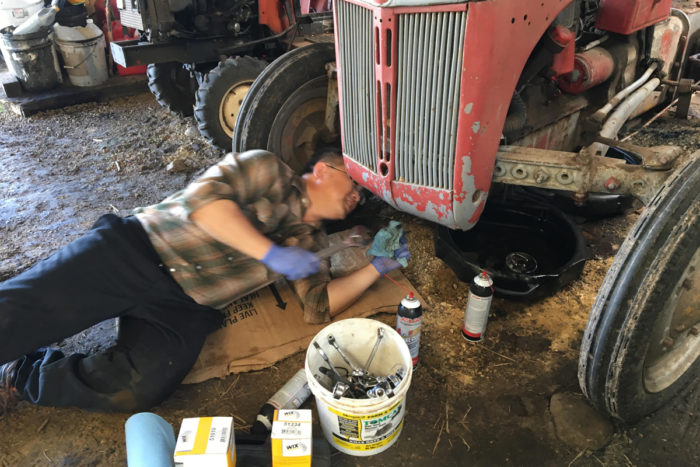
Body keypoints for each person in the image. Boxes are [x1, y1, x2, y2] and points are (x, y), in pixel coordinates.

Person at [0, 149, 409, 414]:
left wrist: (378, 267)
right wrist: (269, 253)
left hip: (182, 308)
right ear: (320, 169)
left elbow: (317, 308)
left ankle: (21, 375)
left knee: (136, 390)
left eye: (363, 192)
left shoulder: (311, 243)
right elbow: (203, 205)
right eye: (352, 180)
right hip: (137, 250)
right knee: (19, 312)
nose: (358, 193)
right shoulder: (266, 168)